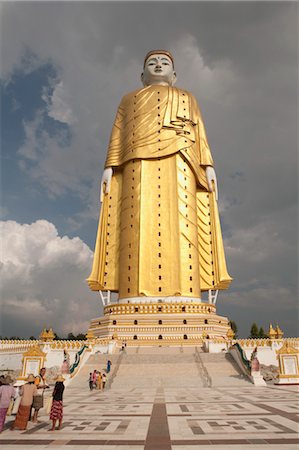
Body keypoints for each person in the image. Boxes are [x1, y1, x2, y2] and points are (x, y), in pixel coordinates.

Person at [87, 50, 232, 301]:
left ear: (174, 75)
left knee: (184, 223)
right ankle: (131, 295)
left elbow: (199, 132)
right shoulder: (128, 99)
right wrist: (109, 167)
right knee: (134, 225)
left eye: (164, 62)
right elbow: (118, 132)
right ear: (142, 75)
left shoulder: (187, 97)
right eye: (151, 62)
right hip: (136, 164)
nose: (158, 64)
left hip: (181, 161)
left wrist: (208, 165)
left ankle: (187, 296)